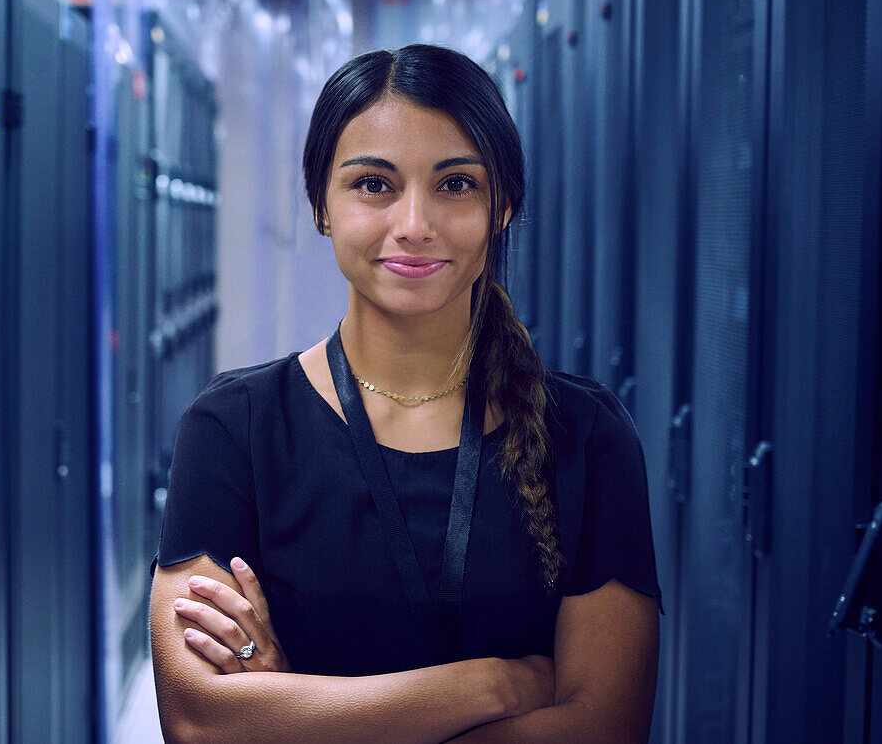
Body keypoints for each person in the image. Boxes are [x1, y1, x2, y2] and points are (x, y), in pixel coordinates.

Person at [148, 43, 663, 742]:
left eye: (455, 184)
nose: (414, 224)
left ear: (502, 205)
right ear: (322, 206)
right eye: (373, 184)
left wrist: (294, 708)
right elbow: (200, 723)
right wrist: (495, 684)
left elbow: (604, 728)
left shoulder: (587, 436)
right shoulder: (232, 431)